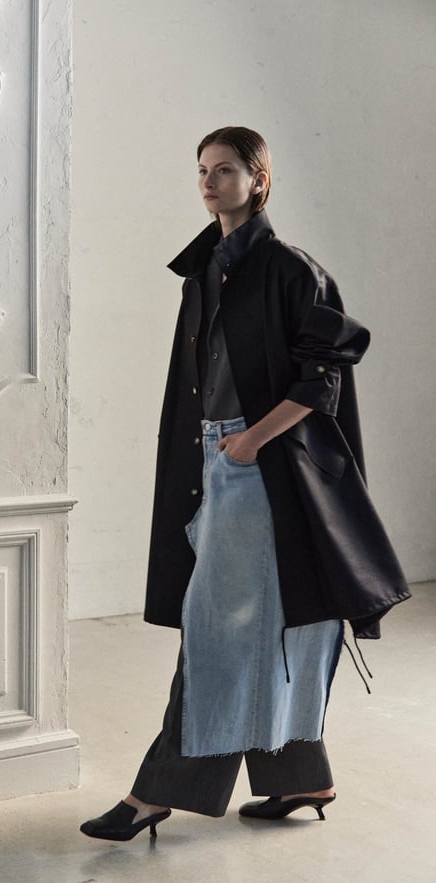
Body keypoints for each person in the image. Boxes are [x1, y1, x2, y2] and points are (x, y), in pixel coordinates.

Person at [80, 126, 410, 842]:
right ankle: (301, 775)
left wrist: (252, 440)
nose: (209, 181)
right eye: (202, 169)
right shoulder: (206, 268)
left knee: (217, 632)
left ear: (258, 180)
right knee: (267, 620)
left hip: (259, 465)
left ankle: (154, 793)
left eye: (225, 169)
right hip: (213, 458)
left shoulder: (292, 270)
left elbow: (322, 378)